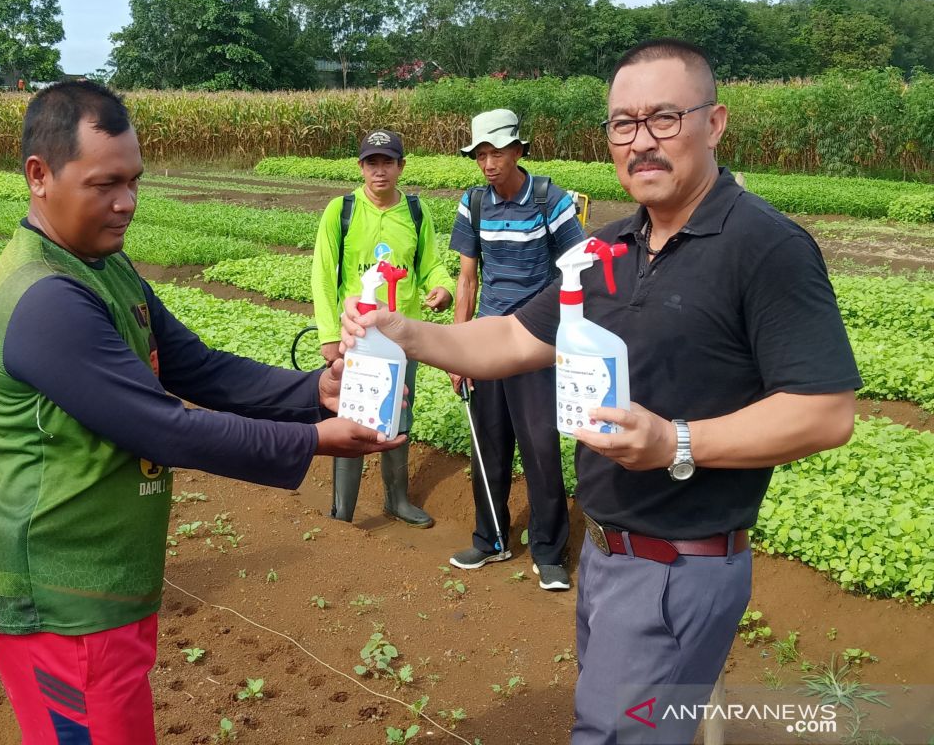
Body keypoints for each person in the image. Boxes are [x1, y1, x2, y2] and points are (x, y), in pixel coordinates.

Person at [341, 39, 859, 745]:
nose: (641, 142)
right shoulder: (609, 251)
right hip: (613, 559)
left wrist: (677, 441)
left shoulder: (765, 247)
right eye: (623, 124)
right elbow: (512, 340)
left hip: (678, 566)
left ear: (715, 123)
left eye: (664, 119)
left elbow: (825, 412)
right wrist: (401, 332)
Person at [0, 81, 402, 744]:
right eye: (104, 184)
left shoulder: (102, 266)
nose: (127, 204)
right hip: (59, 598)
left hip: (103, 583)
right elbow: (163, 426)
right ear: (39, 175)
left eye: (134, 181)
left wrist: (312, 391)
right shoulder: (45, 299)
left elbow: (195, 365)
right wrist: (314, 440)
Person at [446, 109, 586, 590]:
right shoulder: (474, 204)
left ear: (519, 150)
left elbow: (577, 272)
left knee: (541, 447)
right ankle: (491, 540)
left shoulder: (552, 199)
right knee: (489, 445)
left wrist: (571, 338)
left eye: (497, 153)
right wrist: (457, 349)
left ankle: (549, 551)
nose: (488, 163)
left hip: (534, 342)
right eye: (481, 154)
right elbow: (467, 279)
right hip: (486, 339)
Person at [311, 129, 454, 527]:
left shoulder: (415, 211)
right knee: (353, 414)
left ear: (400, 166)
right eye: (371, 163)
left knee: (398, 414)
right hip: (356, 338)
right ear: (361, 168)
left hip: (401, 337)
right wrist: (328, 336)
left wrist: (441, 287)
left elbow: (430, 265)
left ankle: (397, 500)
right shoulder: (341, 210)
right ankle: (343, 511)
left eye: (387, 162)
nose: (379, 171)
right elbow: (323, 276)